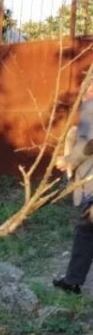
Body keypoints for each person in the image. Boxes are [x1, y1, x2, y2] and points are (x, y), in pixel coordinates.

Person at [53, 83, 93, 294]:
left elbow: (89, 143)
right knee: (86, 231)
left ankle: (72, 280)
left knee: (86, 230)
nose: (85, 91)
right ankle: (72, 280)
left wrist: (68, 160)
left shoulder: (90, 106)